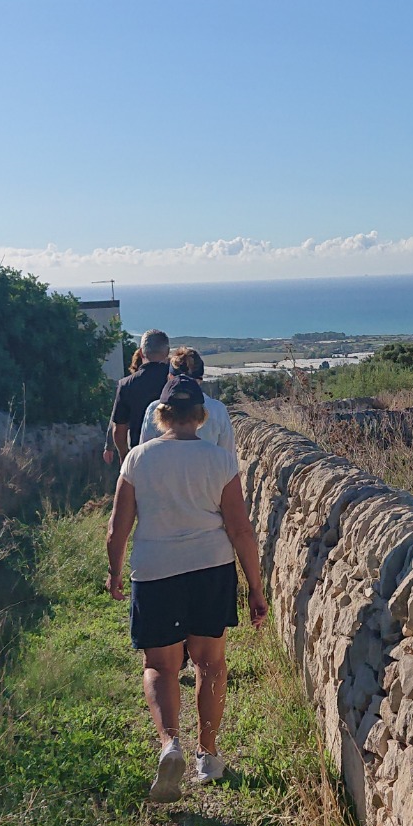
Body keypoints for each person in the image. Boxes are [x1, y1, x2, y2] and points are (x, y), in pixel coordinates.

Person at [107, 374, 269, 801]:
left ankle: (169, 744)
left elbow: (117, 527)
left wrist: (115, 572)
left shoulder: (138, 460)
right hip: (210, 570)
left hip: (155, 570)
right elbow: (240, 529)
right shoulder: (219, 461)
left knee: (160, 666)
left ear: (161, 415)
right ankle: (209, 755)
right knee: (210, 663)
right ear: (200, 416)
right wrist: (255, 586)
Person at [138, 347, 236, 458]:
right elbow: (228, 457)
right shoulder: (218, 410)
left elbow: (144, 455)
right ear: (200, 380)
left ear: (170, 377)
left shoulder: (155, 409)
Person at [108, 329, 172, 464]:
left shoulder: (126, 384)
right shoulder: (175, 381)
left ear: (141, 352)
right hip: (175, 455)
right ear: (167, 352)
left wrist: (124, 456)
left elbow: (119, 429)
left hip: (140, 456)